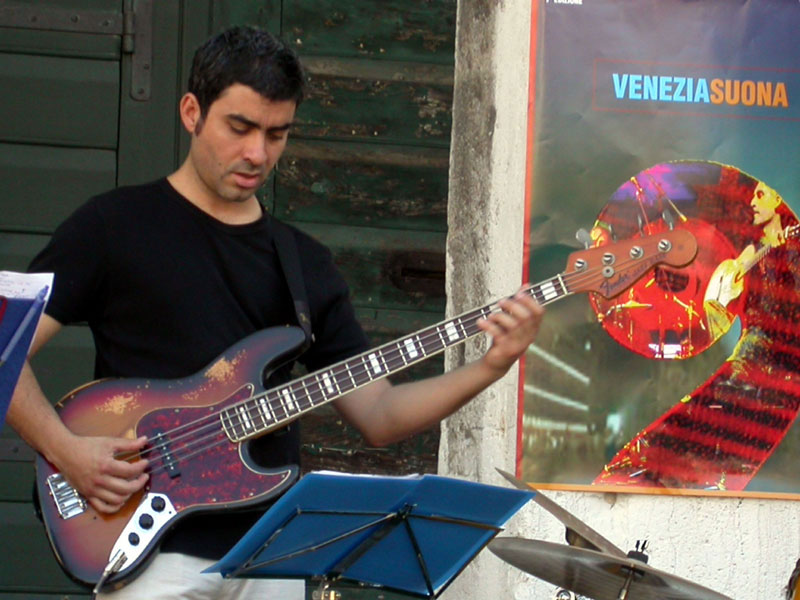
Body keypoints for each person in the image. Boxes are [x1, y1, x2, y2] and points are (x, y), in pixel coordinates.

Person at [6, 26, 544, 599]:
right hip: (150, 557)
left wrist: (490, 367)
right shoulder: (111, 227)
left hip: (273, 557)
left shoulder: (304, 264)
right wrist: (67, 451)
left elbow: (380, 412)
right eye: (240, 128)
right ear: (192, 112)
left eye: (276, 134)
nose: (257, 154)